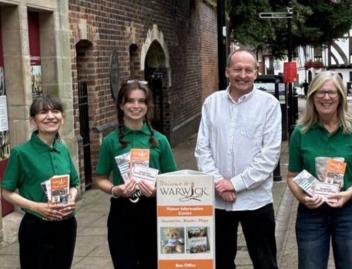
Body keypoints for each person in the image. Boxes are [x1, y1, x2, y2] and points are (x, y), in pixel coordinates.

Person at [195, 49, 282, 269]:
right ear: (227, 72)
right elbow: (202, 150)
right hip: (218, 200)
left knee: (265, 262)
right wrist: (219, 184)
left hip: (256, 200)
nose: (242, 75)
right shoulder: (211, 103)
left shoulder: (269, 105)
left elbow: (269, 156)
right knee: (221, 262)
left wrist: (234, 183)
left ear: (256, 72)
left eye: (248, 70)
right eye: (237, 69)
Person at [287, 71, 352, 269]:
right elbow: (293, 175)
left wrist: (350, 193)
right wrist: (303, 198)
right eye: (320, 92)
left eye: (332, 92)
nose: (326, 97)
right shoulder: (300, 133)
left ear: (341, 97)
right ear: (312, 96)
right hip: (311, 214)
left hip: (348, 211)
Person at [95, 80, 177, 269]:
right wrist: (115, 189)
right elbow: (100, 178)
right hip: (122, 213)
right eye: (130, 101)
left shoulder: (160, 140)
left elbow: (173, 181)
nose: (136, 106)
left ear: (147, 106)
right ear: (122, 105)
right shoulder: (110, 141)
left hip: (154, 213)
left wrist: (157, 191)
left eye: (141, 101)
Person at [1, 95, 79, 269]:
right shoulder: (20, 153)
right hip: (36, 227)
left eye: (55, 111)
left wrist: (71, 198)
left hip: (66, 225)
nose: (50, 116)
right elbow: (6, 192)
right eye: (43, 112)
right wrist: (37, 207)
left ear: (62, 118)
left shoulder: (63, 149)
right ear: (33, 121)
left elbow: (74, 183)